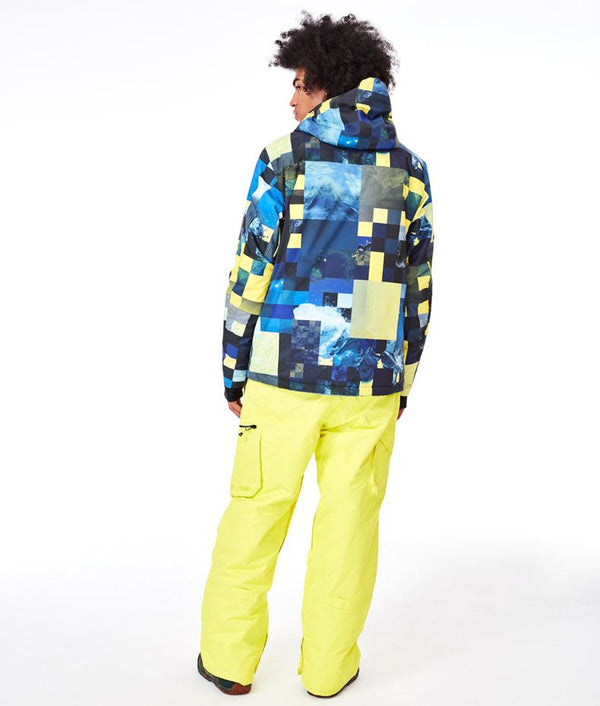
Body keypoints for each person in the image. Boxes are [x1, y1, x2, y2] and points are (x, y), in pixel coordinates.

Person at [197, 11, 435, 698]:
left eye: (299, 83)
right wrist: (401, 379)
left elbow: (251, 272)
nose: (292, 98)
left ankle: (228, 663)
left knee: (257, 512)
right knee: (349, 526)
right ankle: (329, 672)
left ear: (327, 83)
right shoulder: (407, 170)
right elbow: (417, 289)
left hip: (284, 369)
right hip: (369, 381)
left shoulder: (286, 158)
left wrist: (233, 368)